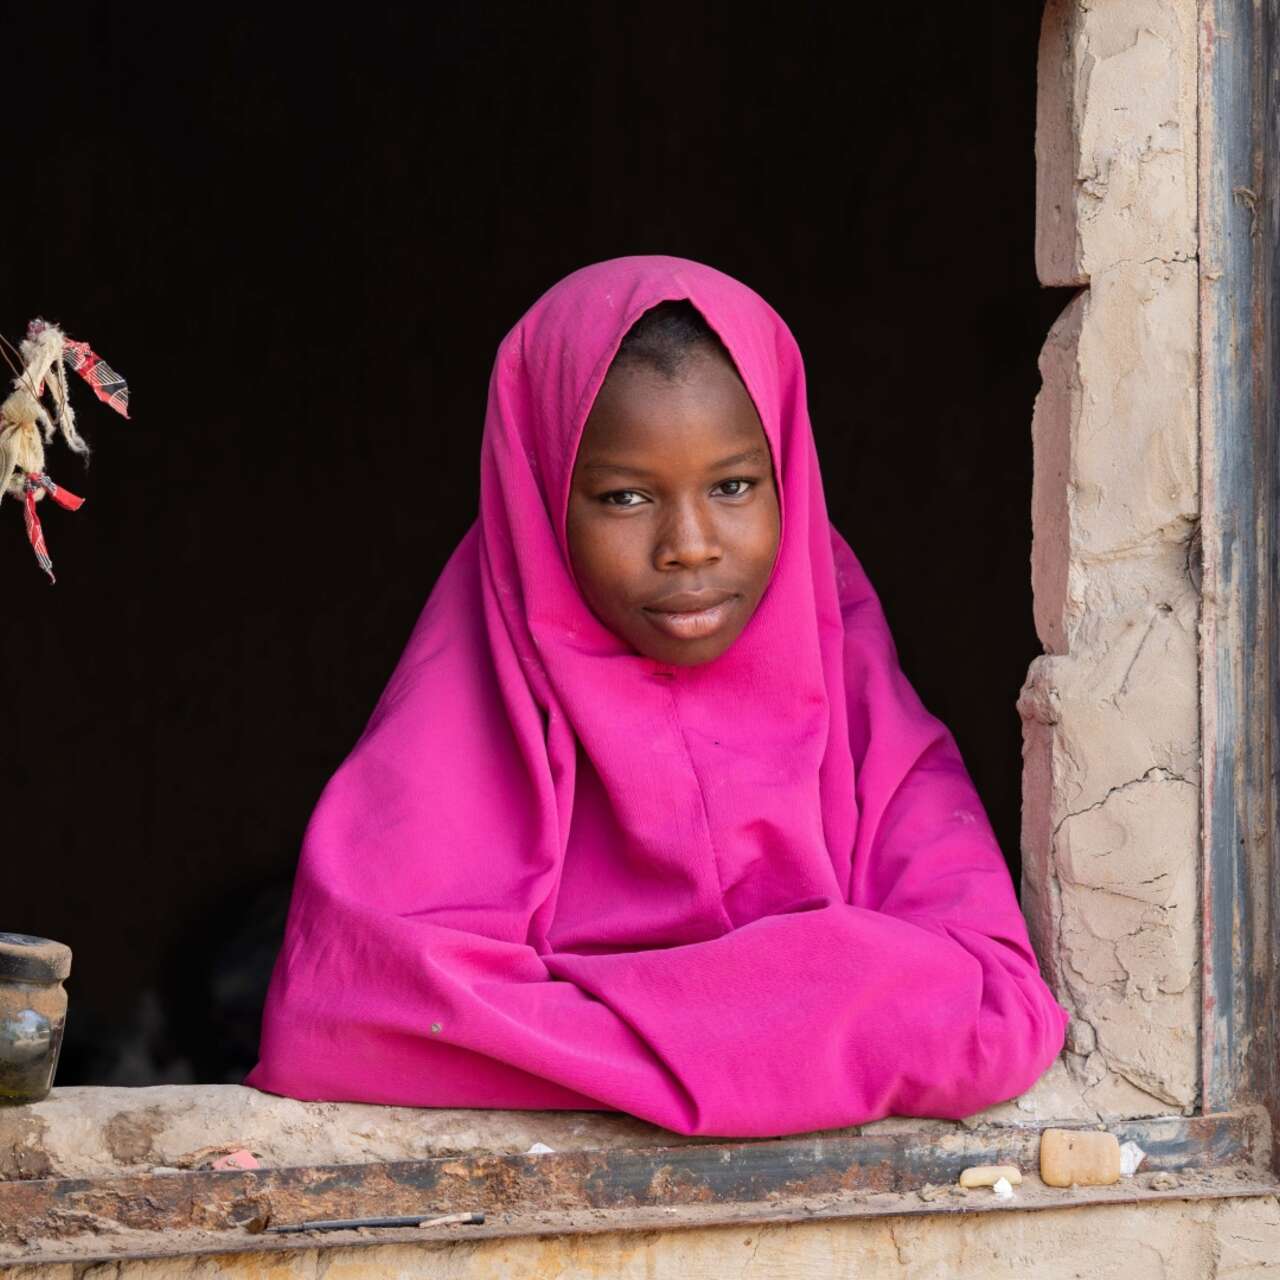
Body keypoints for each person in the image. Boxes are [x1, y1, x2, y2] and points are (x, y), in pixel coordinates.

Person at [246, 256, 1067, 1137]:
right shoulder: (464, 706)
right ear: (539, 496)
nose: (689, 545)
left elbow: (998, 1010)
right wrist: (832, 993)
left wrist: (562, 1019)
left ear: (790, 470)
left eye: (733, 486)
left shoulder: (859, 699)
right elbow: (346, 1022)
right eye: (625, 496)